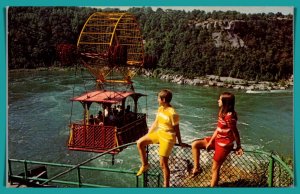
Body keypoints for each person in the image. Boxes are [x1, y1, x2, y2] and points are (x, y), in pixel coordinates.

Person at [191, 92, 243, 187]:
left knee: (215, 168)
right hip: (217, 140)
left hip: (224, 145)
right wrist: (210, 142)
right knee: (195, 144)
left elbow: (235, 132)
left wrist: (239, 146)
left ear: (225, 102)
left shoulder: (230, 116)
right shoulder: (222, 112)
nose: (218, 101)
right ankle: (197, 168)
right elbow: (218, 129)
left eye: (220, 99)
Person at [136, 89, 187, 187]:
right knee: (140, 143)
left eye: (158, 98)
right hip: (159, 133)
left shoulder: (173, 113)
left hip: (168, 137)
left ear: (163, 99)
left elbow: (177, 130)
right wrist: (147, 135)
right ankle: (145, 165)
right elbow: (156, 123)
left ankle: (166, 186)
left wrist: (180, 142)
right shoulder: (160, 109)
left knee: (163, 164)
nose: (157, 100)